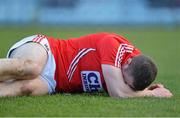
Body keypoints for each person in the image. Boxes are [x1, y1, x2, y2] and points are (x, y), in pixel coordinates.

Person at [0, 32, 172, 98]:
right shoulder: (113, 45)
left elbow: (124, 90)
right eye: (124, 79)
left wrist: (143, 91)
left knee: (25, 88)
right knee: (30, 67)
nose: (123, 83)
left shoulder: (135, 68)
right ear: (127, 62)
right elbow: (118, 93)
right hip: (49, 51)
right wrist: (153, 95)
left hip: (54, 82)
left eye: (129, 85)